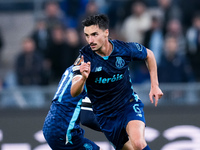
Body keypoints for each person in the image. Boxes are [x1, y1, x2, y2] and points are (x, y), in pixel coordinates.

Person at [71, 14, 163, 150]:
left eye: (95, 34)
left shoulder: (123, 49)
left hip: (128, 105)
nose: (90, 40)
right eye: (87, 35)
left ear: (106, 32)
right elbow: (74, 91)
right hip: (106, 117)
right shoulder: (84, 58)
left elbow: (149, 54)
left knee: (138, 143)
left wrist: (155, 85)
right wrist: (83, 77)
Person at [43, 65, 101, 150]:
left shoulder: (73, 67)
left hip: (51, 124)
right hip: (64, 131)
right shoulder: (89, 74)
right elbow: (88, 119)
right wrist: (114, 129)